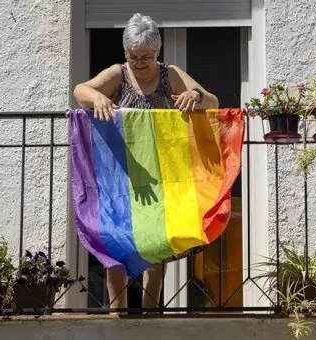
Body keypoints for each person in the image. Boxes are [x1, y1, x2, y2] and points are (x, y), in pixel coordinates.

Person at [73, 13, 219, 312]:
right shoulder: (118, 74)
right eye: (134, 56)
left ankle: (152, 314)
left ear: (158, 52)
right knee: (116, 242)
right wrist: (97, 98)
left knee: (156, 244)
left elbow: (212, 102)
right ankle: (118, 313)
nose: (140, 62)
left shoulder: (171, 74)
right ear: (126, 53)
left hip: (162, 175)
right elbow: (80, 91)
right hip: (121, 176)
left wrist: (195, 95)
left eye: (147, 56)